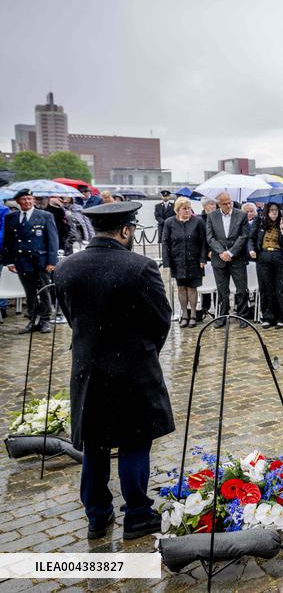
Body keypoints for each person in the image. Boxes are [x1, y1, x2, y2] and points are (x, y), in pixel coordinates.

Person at [53, 201, 172, 541]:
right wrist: (144, 351)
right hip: (133, 370)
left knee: (95, 444)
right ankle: (137, 514)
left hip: (88, 369)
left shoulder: (65, 268)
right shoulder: (140, 267)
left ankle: (97, 515)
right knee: (135, 442)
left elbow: (71, 316)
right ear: (125, 230)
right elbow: (161, 320)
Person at [2, 189, 59, 334]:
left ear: (33, 200)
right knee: (30, 292)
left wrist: (52, 261)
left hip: (41, 260)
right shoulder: (11, 217)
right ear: (18, 201)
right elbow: (8, 242)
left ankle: (45, 320)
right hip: (22, 261)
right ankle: (33, 319)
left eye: (29, 199)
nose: (27, 202)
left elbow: (52, 240)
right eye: (24, 199)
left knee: (44, 291)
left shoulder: (45, 216)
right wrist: (9, 261)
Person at [205, 192, 251, 328]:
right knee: (222, 290)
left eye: (229, 202)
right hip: (219, 258)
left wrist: (231, 253)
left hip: (237, 258)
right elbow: (210, 237)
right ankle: (223, 316)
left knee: (241, 288)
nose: (228, 205)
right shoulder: (212, 216)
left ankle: (243, 316)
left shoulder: (240, 215)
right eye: (225, 203)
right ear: (219, 204)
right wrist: (221, 252)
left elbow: (243, 236)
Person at [160, 197, 207, 328]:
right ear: (177, 210)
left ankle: (193, 314)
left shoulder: (198, 221)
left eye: (189, 208)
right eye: (184, 209)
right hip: (178, 260)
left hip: (195, 261)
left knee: (192, 287)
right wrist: (167, 263)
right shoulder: (169, 222)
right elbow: (166, 243)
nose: (187, 211)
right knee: (181, 288)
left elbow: (204, 242)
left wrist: (203, 259)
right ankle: (184, 314)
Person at [252, 202, 283, 328]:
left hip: (279, 256)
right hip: (263, 256)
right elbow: (251, 237)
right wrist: (251, 250)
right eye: (271, 210)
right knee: (265, 288)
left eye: (276, 210)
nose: (274, 212)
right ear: (267, 211)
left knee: (280, 289)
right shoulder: (260, 222)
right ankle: (268, 317)